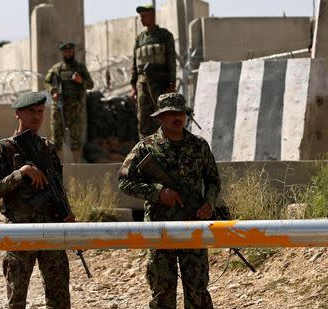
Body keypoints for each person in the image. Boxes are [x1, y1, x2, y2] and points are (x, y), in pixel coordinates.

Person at [118, 93, 221, 309]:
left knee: (197, 290)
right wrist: (158, 192)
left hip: (192, 227)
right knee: (162, 291)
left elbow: (213, 180)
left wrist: (209, 203)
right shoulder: (145, 147)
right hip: (160, 229)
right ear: (160, 118)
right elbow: (124, 181)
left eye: (180, 113)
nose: (177, 117)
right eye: (171, 113)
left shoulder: (199, 146)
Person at [0, 92, 73, 309]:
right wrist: (22, 172)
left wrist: (67, 212)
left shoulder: (47, 147)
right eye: (31, 112)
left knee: (59, 297)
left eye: (40, 112)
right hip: (20, 231)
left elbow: (57, 186)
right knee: (16, 299)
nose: (37, 117)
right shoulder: (5, 148)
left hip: (50, 227)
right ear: (18, 114)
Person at [130, 4, 177, 139]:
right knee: (143, 118)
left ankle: (164, 146)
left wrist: (172, 83)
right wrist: (133, 85)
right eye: (140, 17)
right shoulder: (139, 39)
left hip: (160, 83)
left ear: (152, 15)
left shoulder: (164, 35)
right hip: (142, 84)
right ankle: (144, 149)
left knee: (162, 116)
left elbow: (171, 60)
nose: (142, 19)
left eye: (144, 16)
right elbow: (135, 63)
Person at [44, 42, 94, 163]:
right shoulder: (56, 68)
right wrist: (53, 91)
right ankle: (59, 167)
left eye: (70, 51)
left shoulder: (80, 68)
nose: (68, 53)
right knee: (56, 139)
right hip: (58, 108)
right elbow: (47, 82)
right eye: (65, 51)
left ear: (73, 52)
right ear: (62, 53)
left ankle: (75, 165)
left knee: (75, 138)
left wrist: (81, 81)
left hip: (75, 109)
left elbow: (90, 85)